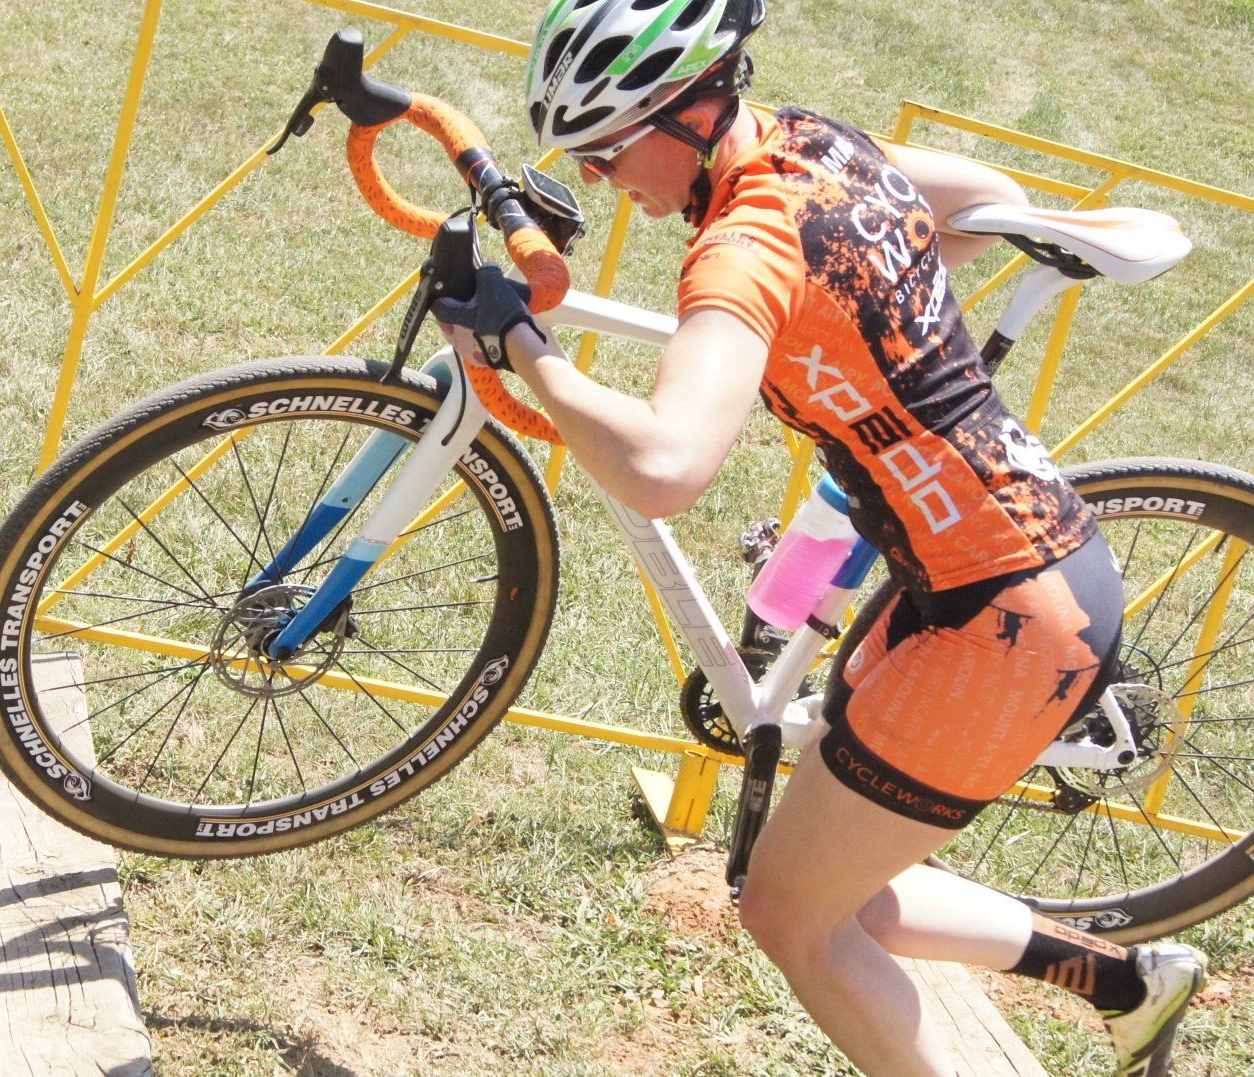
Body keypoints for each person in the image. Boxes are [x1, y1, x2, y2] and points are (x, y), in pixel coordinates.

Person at [432, 1, 1208, 1074]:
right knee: (815, 882)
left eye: (605, 153)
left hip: (1004, 619)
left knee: (789, 920)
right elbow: (984, 203)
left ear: (691, 111)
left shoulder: (743, 250)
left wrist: (524, 346)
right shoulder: (818, 141)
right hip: (990, 570)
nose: (604, 184)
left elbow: (664, 469)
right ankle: (1129, 980)